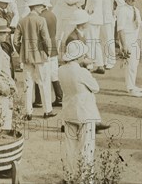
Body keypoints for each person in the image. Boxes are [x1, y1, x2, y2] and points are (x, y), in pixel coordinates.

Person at [59, 40, 101, 182]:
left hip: (69, 111)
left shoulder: (61, 70)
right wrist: (88, 70)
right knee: (86, 147)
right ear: (78, 57)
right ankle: (86, 179)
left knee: (69, 147)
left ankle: (69, 176)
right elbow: (96, 87)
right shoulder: (81, 72)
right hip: (85, 113)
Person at [14, 0, 56, 120]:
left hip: (26, 56)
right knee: (44, 83)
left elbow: (15, 40)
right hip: (40, 56)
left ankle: (28, 112)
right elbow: (46, 39)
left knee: (28, 84)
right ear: (36, 6)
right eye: (41, 6)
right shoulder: (40, 20)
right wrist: (47, 52)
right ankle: (47, 110)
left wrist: (21, 51)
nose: (42, 8)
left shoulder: (22, 21)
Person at [117, 0, 142, 97]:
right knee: (130, 64)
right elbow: (120, 29)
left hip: (135, 38)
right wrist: (124, 45)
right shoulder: (123, 10)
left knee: (135, 63)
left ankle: (132, 84)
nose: (133, 0)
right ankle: (130, 88)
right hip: (127, 38)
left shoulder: (136, 10)